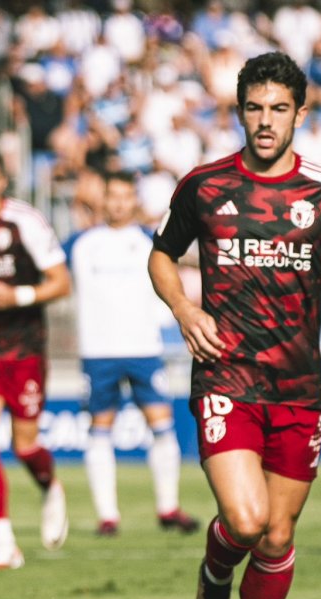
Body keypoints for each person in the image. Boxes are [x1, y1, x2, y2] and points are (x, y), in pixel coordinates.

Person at [148, 52, 321, 599]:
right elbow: (161, 256)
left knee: (278, 536)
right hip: (226, 375)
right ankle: (214, 571)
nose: (265, 121)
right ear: (239, 111)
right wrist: (185, 308)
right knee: (247, 519)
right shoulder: (204, 186)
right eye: (254, 108)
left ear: (299, 115)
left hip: (298, 387)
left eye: (278, 109)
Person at [68, 170, 198, 538]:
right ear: (103, 200)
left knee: (161, 426)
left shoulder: (151, 243)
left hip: (144, 348)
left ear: (134, 201)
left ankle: (168, 507)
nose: (119, 202)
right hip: (98, 351)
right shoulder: (81, 243)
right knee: (99, 431)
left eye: (126, 196)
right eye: (113, 195)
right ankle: (107, 515)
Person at [0, 149, 71, 570]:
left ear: (2, 183)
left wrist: (19, 295)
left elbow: (61, 283)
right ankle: (3, 540)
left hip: (24, 350)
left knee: (25, 446)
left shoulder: (24, 221)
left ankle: (49, 486)